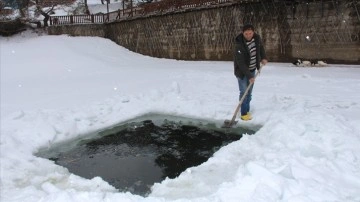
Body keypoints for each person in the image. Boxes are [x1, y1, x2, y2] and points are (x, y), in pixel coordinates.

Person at [234, 24, 268, 121]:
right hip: (242, 72)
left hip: (252, 70)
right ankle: (244, 113)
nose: (248, 35)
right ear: (242, 33)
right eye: (246, 33)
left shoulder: (256, 39)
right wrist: (249, 76)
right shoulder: (239, 45)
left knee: (249, 92)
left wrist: (264, 57)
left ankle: (247, 110)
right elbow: (241, 63)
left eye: (250, 33)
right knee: (244, 92)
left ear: (253, 32)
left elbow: (261, 48)